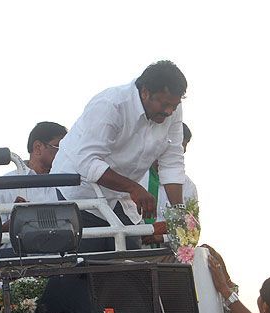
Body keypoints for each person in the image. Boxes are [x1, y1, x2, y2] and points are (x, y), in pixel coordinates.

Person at [51, 60, 189, 251]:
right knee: (89, 263)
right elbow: (88, 162)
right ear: (145, 92)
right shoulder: (110, 104)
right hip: (80, 193)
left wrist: (179, 213)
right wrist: (133, 188)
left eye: (174, 105)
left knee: (128, 263)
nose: (169, 111)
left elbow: (172, 161)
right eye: (165, 104)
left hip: (122, 200)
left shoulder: (172, 110)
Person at [0, 121, 68, 210]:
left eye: (66, 148)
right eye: (59, 147)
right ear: (38, 147)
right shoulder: (5, 184)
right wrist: (15, 215)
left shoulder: (69, 180)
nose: (64, 152)